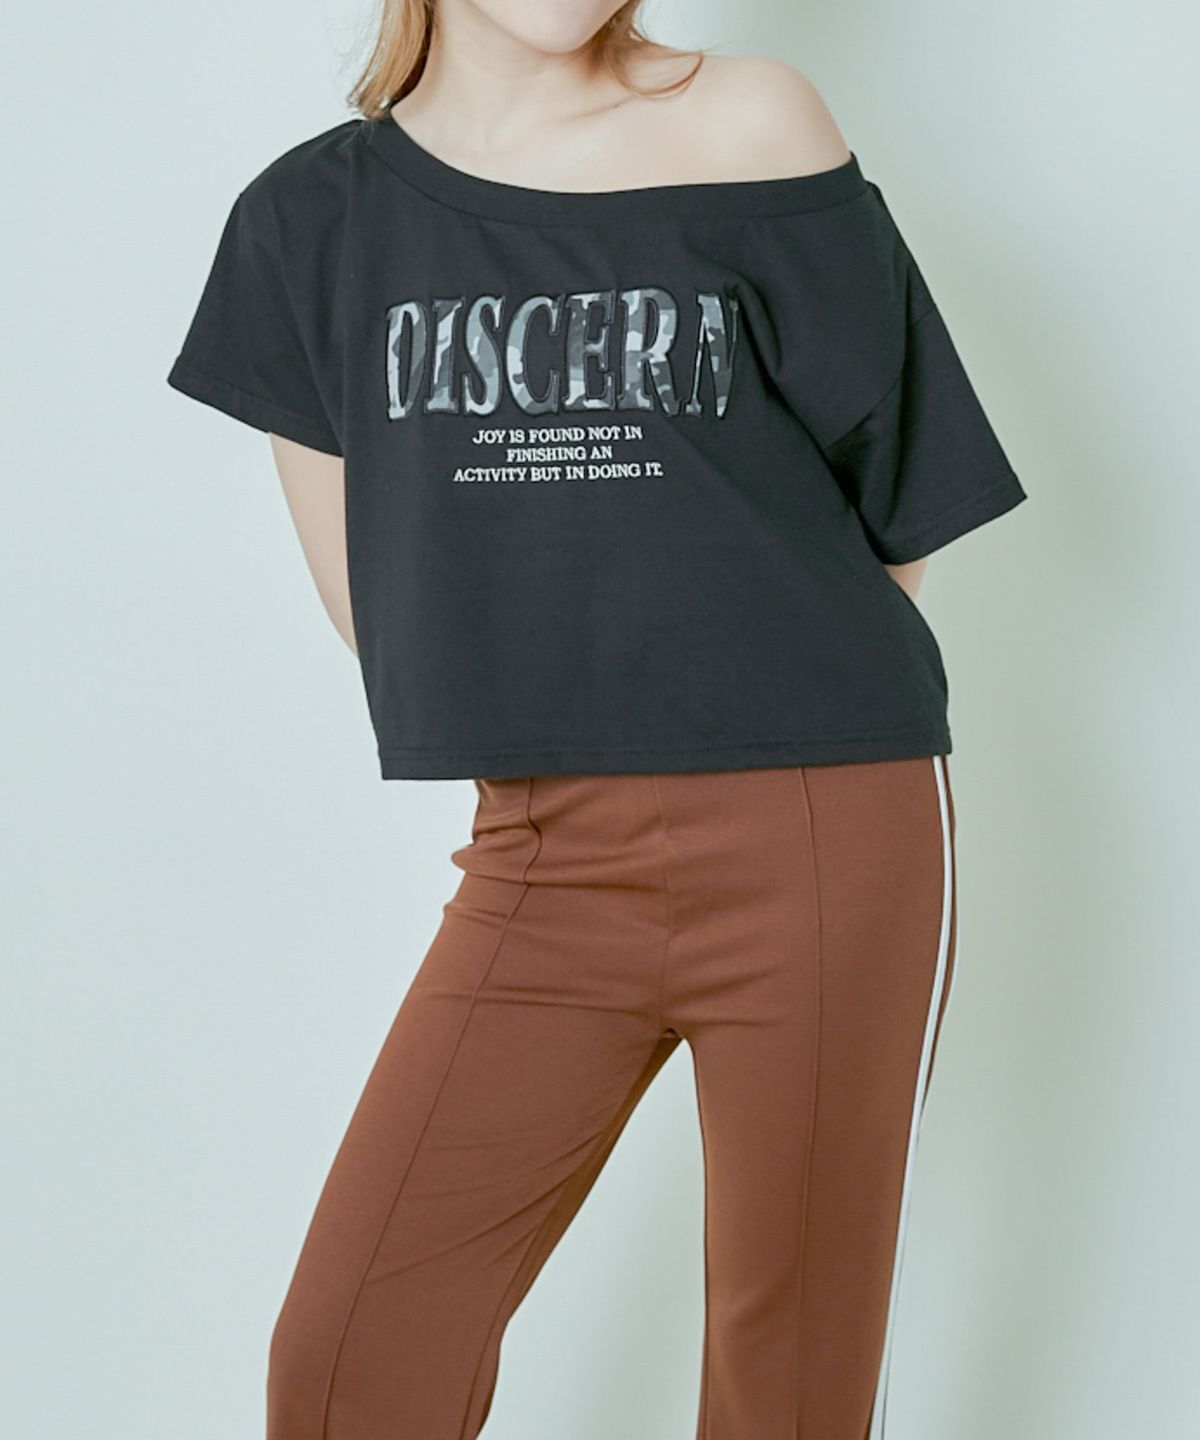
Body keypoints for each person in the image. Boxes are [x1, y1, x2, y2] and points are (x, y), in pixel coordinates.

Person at [165, 2, 1028, 1437]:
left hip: (823, 822)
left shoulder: (751, 123)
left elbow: (893, 513)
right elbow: (381, 607)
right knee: (349, 1359)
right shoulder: (309, 223)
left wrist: (751, 688)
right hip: (540, 850)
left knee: (788, 1379)